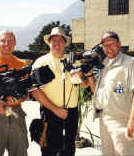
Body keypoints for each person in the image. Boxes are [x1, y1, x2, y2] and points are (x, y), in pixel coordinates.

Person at [31, 27, 90, 156]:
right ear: (49, 42)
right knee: (49, 149)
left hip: (72, 113)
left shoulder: (74, 60)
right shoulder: (40, 62)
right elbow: (35, 91)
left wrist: (78, 72)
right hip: (50, 111)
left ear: (65, 43)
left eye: (60, 40)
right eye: (54, 40)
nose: (57, 43)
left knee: (69, 149)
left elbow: (85, 84)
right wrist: (55, 109)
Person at [88, 31, 134, 156]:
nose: (109, 48)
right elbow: (97, 92)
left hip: (122, 121)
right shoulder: (103, 65)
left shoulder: (130, 63)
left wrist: (133, 121)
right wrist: (89, 75)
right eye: (105, 45)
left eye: (112, 44)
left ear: (119, 44)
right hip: (104, 119)